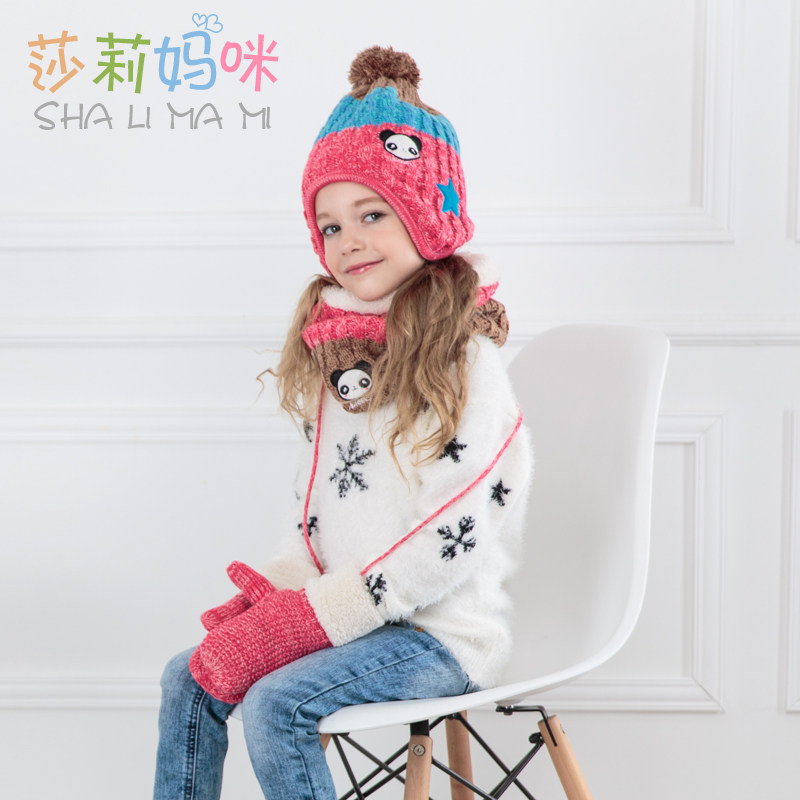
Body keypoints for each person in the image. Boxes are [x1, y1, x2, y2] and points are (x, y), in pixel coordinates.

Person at [153, 45, 533, 800]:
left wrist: (315, 619)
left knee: (277, 703)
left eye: (372, 214)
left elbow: (452, 533)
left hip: (439, 635)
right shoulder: (344, 359)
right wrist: (280, 593)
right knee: (186, 677)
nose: (348, 239)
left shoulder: (467, 363)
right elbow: (317, 511)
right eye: (329, 226)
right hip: (354, 614)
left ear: (429, 215)